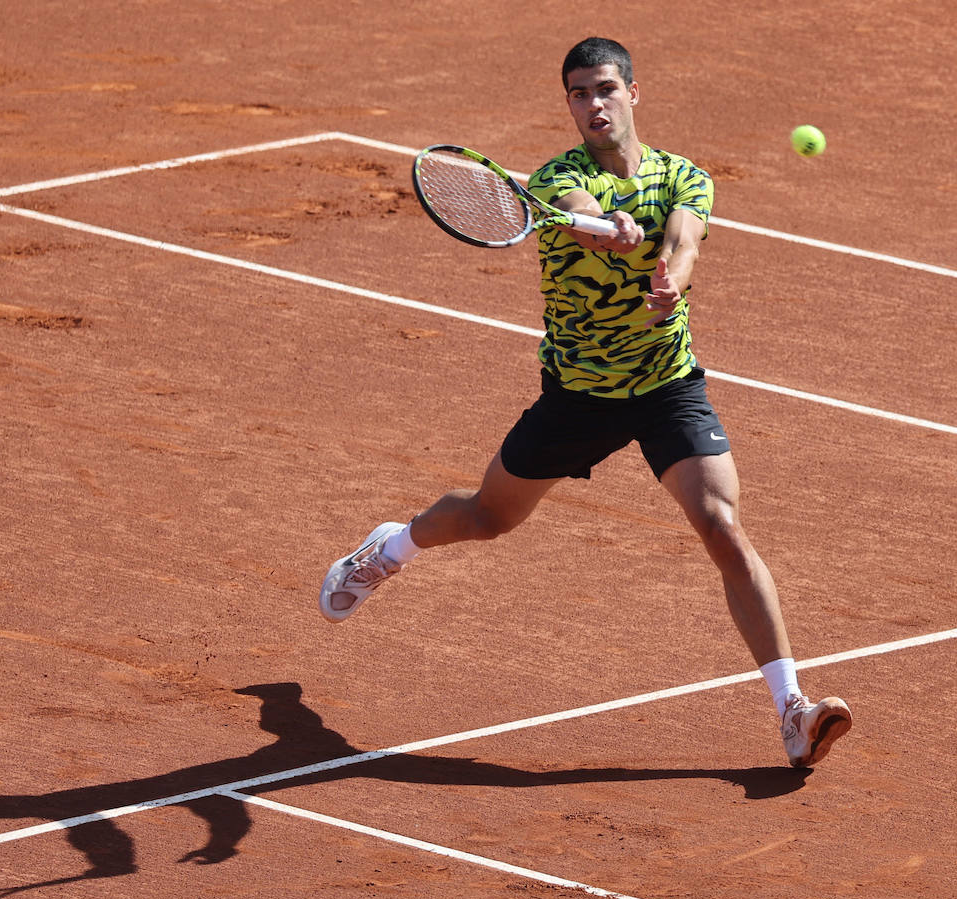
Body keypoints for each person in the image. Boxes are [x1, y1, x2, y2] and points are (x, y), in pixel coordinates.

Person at [320, 37, 851, 769]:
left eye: (604, 89)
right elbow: (576, 213)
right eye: (578, 94)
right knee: (486, 516)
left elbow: (687, 236)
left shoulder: (685, 177)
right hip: (579, 396)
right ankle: (388, 550)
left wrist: (672, 273)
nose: (592, 104)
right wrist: (607, 227)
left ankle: (793, 708)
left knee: (722, 525)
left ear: (634, 93)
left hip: (667, 384)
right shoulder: (556, 179)